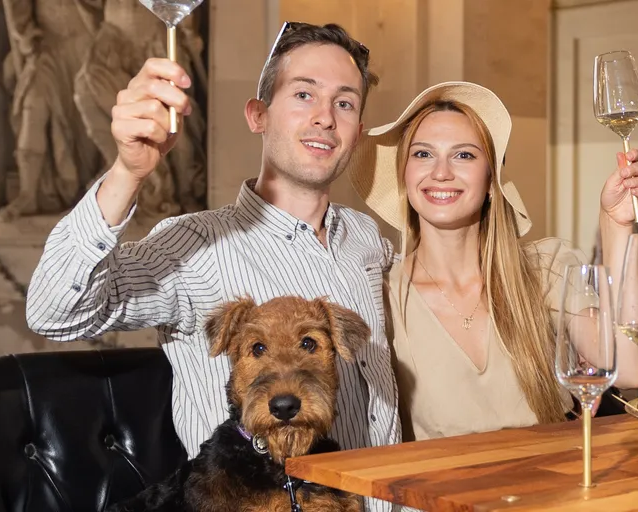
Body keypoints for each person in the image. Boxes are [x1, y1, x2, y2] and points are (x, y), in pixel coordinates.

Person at [25, 22, 398, 511]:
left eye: (345, 103)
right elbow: (55, 311)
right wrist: (128, 173)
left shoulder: (368, 240)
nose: (326, 116)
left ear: (358, 133)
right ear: (258, 115)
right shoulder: (193, 243)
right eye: (304, 94)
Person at [347, 82, 638, 441]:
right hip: (434, 496)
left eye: (464, 155)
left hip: (549, 490)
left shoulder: (542, 269)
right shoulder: (379, 294)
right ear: (405, 175)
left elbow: (631, 368)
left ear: (492, 181)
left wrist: (616, 224)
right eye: (423, 154)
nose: (441, 172)